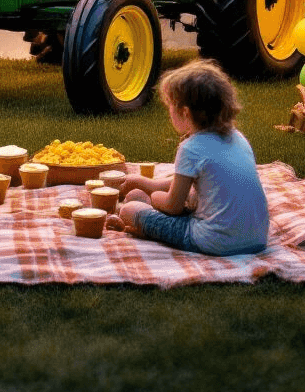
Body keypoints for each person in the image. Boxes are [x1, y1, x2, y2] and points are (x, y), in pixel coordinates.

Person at [108, 59, 269, 256]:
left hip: (214, 242)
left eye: (169, 106)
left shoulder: (191, 148)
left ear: (185, 112)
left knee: (130, 208)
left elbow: (173, 206)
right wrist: (144, 182)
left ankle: (140, 226)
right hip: (257, 239)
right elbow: (185, 185)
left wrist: (154, 197)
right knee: (146, 196)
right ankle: (143, 215)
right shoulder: (238, 138)